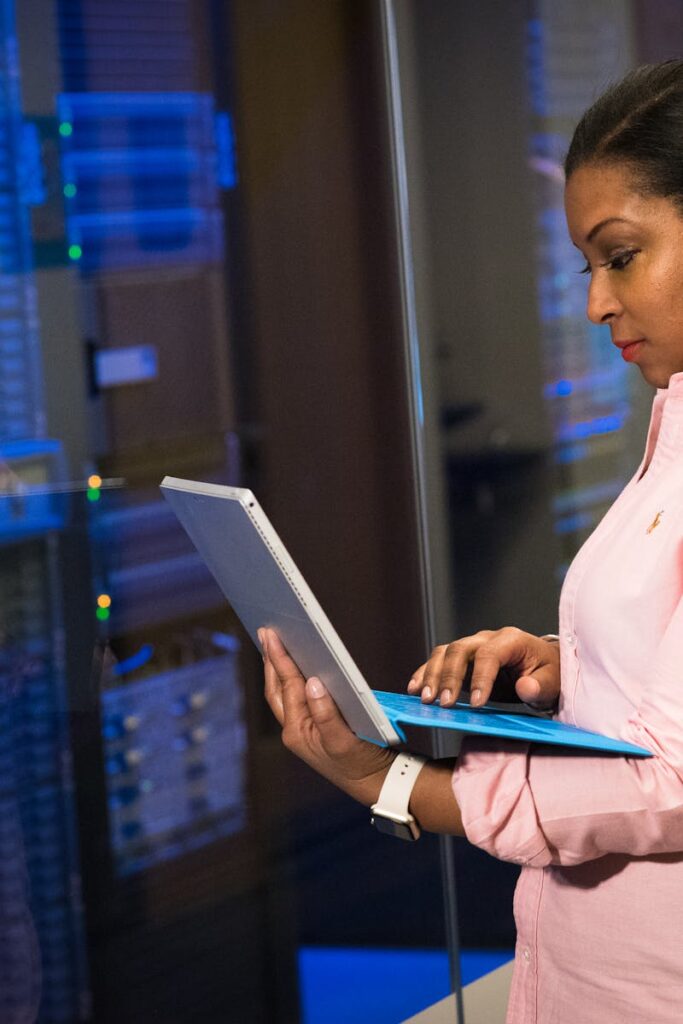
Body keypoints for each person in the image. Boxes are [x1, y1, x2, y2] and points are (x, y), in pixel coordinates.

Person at [260, 59, 683, 1023]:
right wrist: (559, 662)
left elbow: (675, 780)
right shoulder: (676, 416)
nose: (596, 303)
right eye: (587, 266)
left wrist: (396, 783)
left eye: (620, 255)